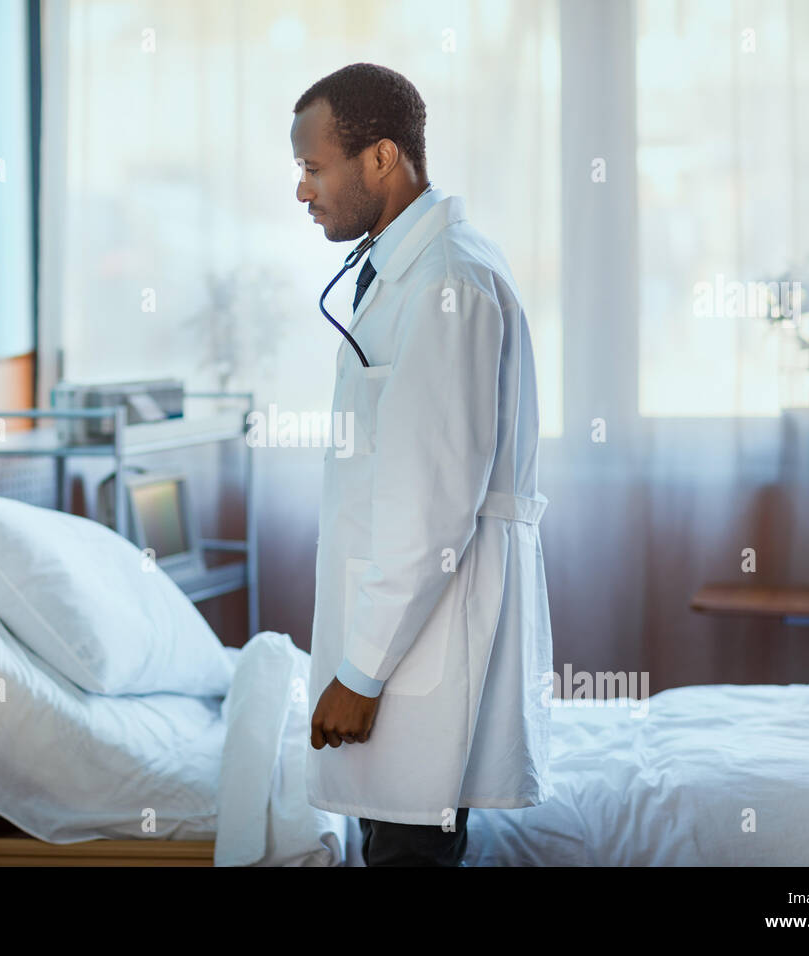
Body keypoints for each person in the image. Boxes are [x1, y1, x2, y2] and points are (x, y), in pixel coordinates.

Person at [290, 63, 554, 867]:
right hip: (415, 637)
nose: (302, 191)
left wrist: (360, 674)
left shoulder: (448, 283)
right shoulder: (416, 273)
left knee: (408, 851)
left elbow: (434, 506)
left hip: (416, 654)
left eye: (312, 166)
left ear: (379, 159)